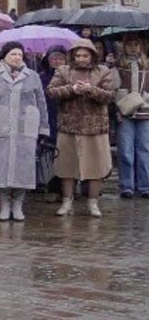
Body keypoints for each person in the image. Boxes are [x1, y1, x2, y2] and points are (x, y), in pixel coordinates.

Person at [0, 44, 50, 222]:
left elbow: (41, 103)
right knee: (1, 167)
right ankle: (4, 204)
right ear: (4, 57)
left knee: (23, 166)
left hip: (25, 128)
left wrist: (43, 129)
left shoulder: (32, 76)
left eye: (20, 54)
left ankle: (18, 204)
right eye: (13, 54)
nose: (17, 57)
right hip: (1, 127)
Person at [48, 40, 115, 218]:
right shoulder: (64, 70)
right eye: (78, 55)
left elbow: (109, 96)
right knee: (67, 167)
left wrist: (91, 90)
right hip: (69, 126)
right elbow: (52, 91)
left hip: (95, 127)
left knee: (96, 167)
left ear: (92, 55)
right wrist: (71, 89)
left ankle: (93, 203)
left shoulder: (103, 71)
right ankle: (66, 201)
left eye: (85, 55)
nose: (81, 59)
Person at [112, 33, 149, 199]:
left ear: (141, 47)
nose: (133, 48)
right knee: (125, 150)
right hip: (125, 113)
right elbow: (113, 90)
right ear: (124, 47)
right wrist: (119, 107)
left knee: (144, 150)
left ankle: (145, 185)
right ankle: (126, 185)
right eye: (129, 45)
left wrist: (144, 98)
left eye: (136, 45)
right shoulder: (118, 66)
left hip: (145, 112)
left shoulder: (147, 66)